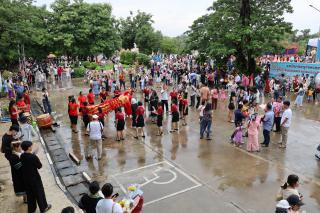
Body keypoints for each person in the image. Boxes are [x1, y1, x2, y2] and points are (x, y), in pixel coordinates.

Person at [20, 141, 52, 213]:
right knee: (39, 193)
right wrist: (34, 156)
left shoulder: (22, 156)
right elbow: (39, 166)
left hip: (26, 178)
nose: (32, 147)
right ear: (28, 148)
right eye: (31, 146)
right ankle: (44, 208)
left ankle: (31, 209)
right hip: (35, 178)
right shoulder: (33, 157)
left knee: (30, 195)